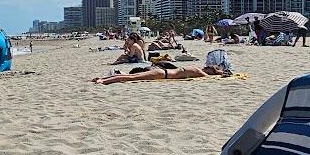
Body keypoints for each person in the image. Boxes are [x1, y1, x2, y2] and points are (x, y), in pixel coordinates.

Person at [92, 60, 234, 84]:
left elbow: (213, 76)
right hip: (162, 73)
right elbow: (213, 77)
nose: (206, 67)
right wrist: (222, 74)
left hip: (162, 72)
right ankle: (103, 80)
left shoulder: (197, 69)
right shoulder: (199, 71)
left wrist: (220, 73)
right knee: (130, 77)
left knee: (130, 76)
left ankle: (103, 79)